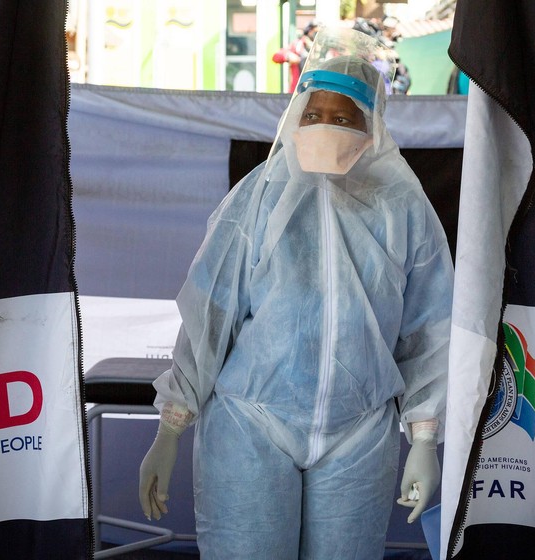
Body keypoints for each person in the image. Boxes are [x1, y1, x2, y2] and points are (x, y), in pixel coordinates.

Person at [139, 26, 453, 559]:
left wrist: (424, 436)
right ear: (294, 117)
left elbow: (427, 330)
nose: (323, 126)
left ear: (371, 124)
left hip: (359, 428)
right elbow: (209, 317)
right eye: (312, 114)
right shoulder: (259, 199)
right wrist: (170, 427)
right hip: (251, 419)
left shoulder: (403, 207)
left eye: (342, 116)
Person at [272, 21, 321, 93]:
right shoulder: (298, 45)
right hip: (299, 90)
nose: (316, 35)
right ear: (309, 31)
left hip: (318, 90)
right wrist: (288, 56)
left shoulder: (324, 48)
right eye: (315, 32)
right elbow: (276, 56)